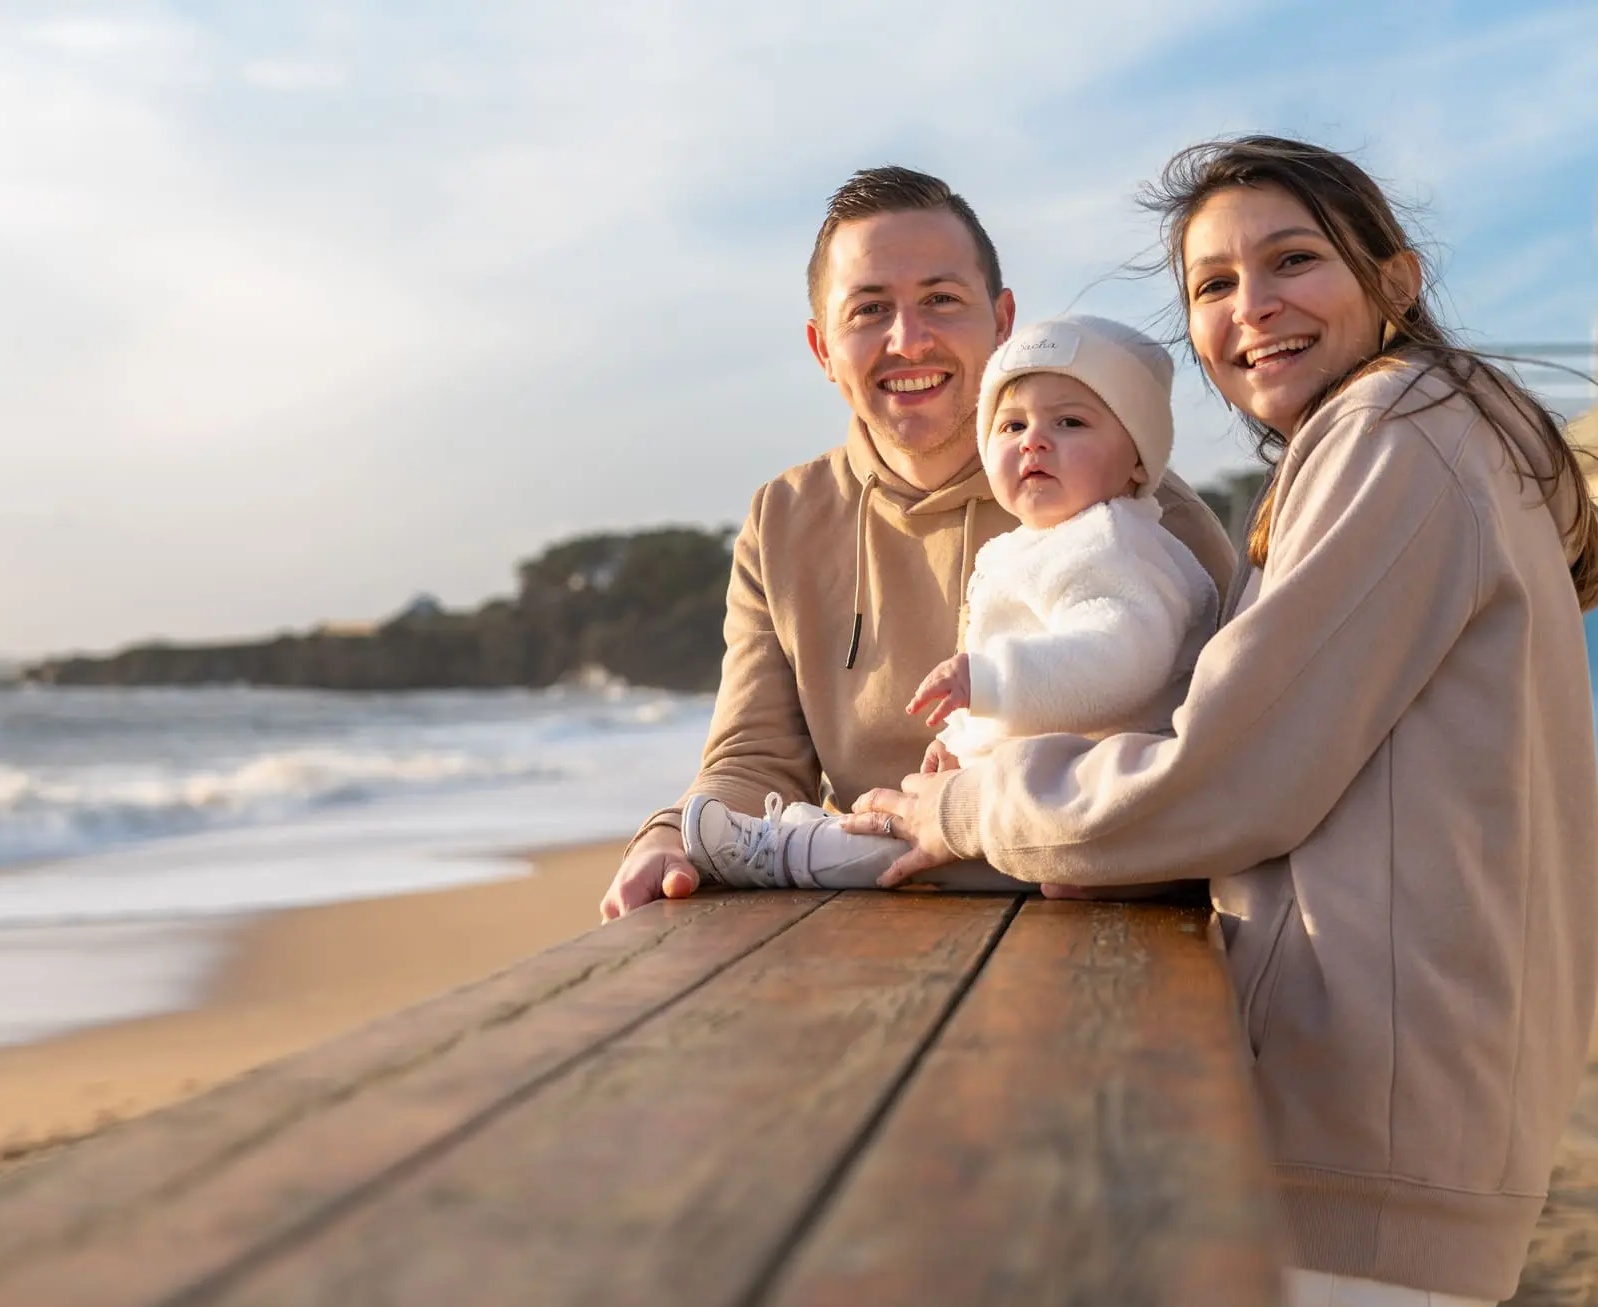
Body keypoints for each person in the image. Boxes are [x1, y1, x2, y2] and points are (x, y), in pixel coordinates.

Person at [846, 136, 1598, 1305]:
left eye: (1291, 259)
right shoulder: (1423, 437)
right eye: (1212, 285)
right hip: (1412, 1100)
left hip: (1369, 1135)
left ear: (1394, 280)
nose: (1252, 309)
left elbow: (1226, 771)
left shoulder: (1395, 431)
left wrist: (964, 804)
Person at [597, 167, 1237, 921]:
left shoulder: (1136, 506)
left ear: (1002, 323)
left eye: (940, 300)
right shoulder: (782, 518)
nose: (908, 340)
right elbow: (753, 757)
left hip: (1101, 918)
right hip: (875, 921)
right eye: (869, 310)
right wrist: (671, 835)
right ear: (822, 348)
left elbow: (1228, 747)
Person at [678, 315, 1218, 890]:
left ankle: (785, 851)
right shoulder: (1035, 545)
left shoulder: (1119, 545)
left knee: (896, 849)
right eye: (1011, 426)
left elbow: (1119, 657)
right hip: (1025, 802)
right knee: (907, 820)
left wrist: (990, 682)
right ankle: (798, 836)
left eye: (1070, 422)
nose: (1034, 441)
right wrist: (960, 739)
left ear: (1139, 459)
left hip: (1088, 808)